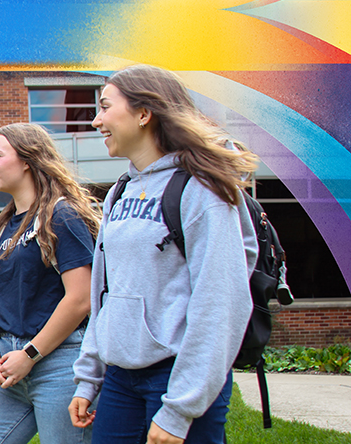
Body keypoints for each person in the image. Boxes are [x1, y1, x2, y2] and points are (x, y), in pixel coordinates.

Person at [69, 64, 258, 444]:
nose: (95, 121)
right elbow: (105, 294)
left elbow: (222, 301)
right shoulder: (120, 191)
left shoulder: (201, 188)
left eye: (105, 107)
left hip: (178, 375)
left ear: (144, 113)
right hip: (120, 378)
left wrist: (179, 409)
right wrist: (89, 378)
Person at [0, 123, 98, 444]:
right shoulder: (1, 228)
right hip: (10, 368)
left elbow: (81, 298)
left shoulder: (61, 216)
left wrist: (30, 354)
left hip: (59, 366)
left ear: (27, 159)